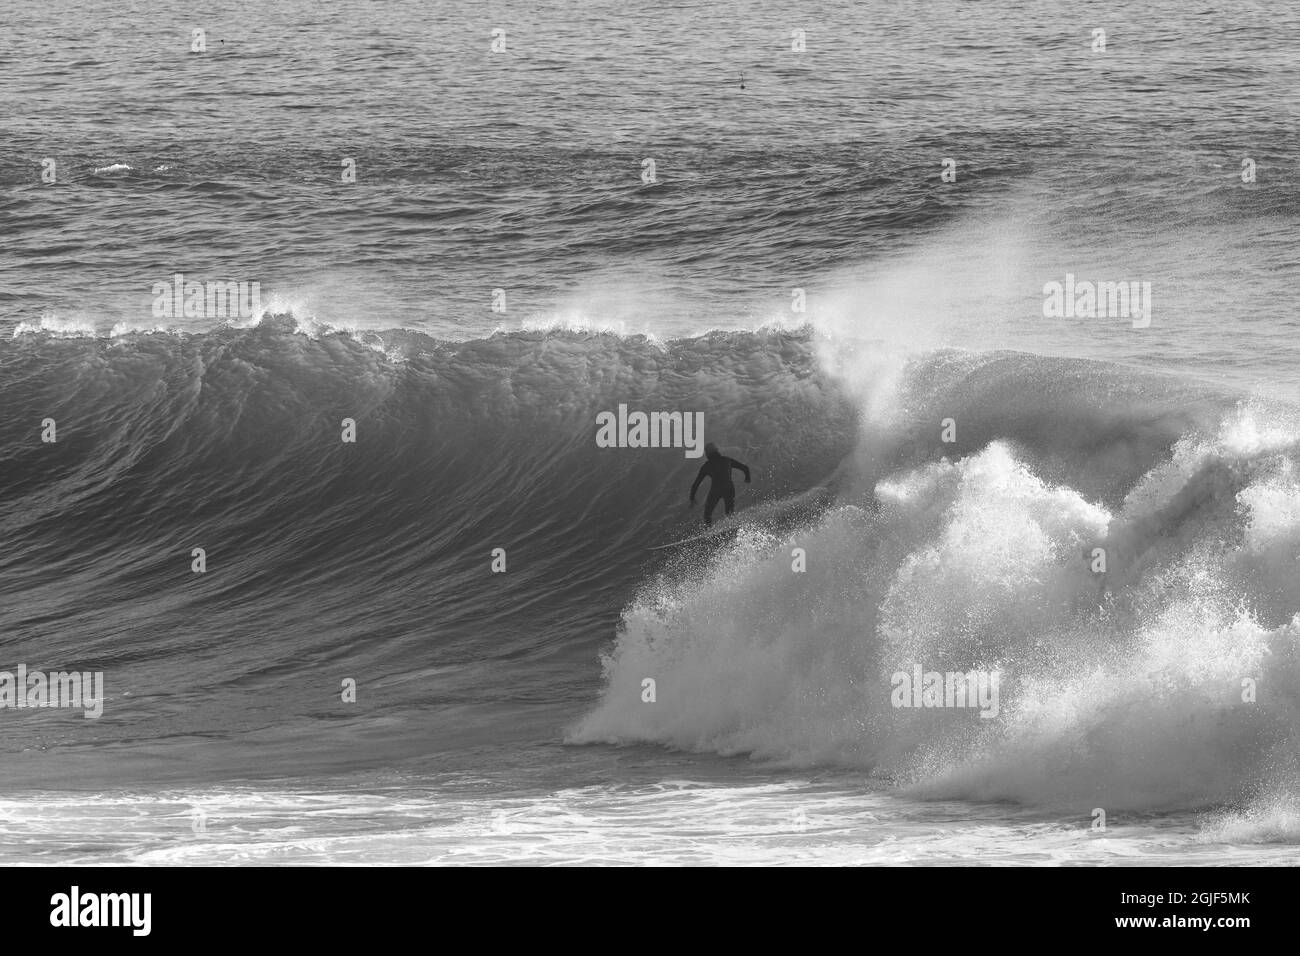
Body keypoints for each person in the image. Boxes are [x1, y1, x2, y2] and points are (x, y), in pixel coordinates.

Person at [689, 442, 751, 526]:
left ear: (707, 453)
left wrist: (692, 498)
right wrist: (747, 478)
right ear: (717, 451)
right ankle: (732, 527)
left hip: (715, 491)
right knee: (729, 512)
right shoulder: (727, 460)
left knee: (707, 514)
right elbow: (745, 468)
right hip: (729, 489)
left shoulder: (706, 466)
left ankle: (709, 530)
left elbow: (695, 484)